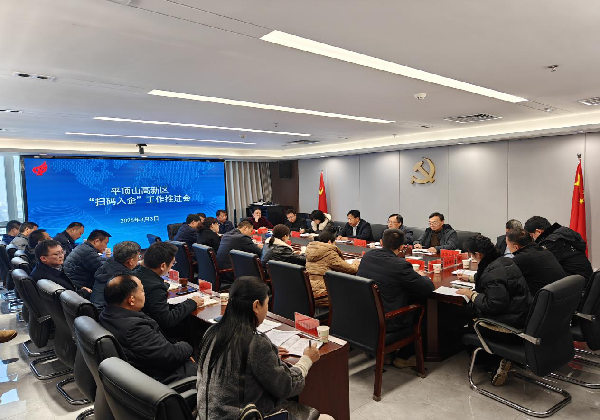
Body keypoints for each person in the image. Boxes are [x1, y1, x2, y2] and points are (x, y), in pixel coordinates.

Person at [197, 276, 328, 420]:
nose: (267, 309)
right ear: (255, 306)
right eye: (266, 304)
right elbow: (287, 386)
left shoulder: (211, 332)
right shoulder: (255, 344)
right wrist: (306, 360)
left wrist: (268, 355)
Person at [455, 235, 531, 387]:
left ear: (477, 254)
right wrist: (471, 279)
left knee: (461, 320)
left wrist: (471, 294)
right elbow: (495, 279)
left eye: (471, 254)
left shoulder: (491, 272)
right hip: (520, 315)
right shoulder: (503, 261)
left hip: (506, 325)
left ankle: (494, 363)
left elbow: (494, 305)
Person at [357, 228, 434, 367]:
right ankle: (404, 357)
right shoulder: (400, 265)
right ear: (401, 247)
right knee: (424, 309)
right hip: (388, 320)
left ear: (381, 242)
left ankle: (387, 353)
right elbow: (427, 288)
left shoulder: (368, 256)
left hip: (365, 315)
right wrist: (423, 277)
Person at [99, 274, 197, 384]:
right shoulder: (134, 329)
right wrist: (187, 346)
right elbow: (169, 356)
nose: (144, 294)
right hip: (163, 379)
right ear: (131, 300)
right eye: (142, 291)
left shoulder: (106, 314)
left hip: (145, 368)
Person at [134, 242, 203, 332]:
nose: (171, 267)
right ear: (163, 266)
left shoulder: (135, 274)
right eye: (172, 263)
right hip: (155, 332)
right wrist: (192, 302)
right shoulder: (156, 287)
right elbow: (167, 320)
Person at [524, 216, 593, 282]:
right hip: (586, 279)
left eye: (531, 236)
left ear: (538, 231)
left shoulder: (551, 242)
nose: (531, 240)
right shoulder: (564, 232)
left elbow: (539, 265)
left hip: (577, 284)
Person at [305, 229, 360, 306]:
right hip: (323, 295)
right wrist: (356, 262)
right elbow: (351, 269)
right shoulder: (329, 252)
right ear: (329, 242)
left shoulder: (310, 250)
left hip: (309, 292)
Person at [506, 229, 566, 294]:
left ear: (516, 247)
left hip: (546, 297)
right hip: (562, 294)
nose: (507, 246)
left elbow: (504, 276)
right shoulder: (543, 250)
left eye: (507, 244)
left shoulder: (523, 258)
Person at [90, 241, 141, 311]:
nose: (138, 260)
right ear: (130, 261)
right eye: (138, 257)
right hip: (106, 313)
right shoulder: (124, 278)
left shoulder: (108, 264)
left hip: (96, 309)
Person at [216, 221, 263, 287]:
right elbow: (260, 253)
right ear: (245, 228)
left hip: (220, 271)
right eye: (251, 231)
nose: (251, 234)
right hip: (231, 272)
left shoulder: (227, 234)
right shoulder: (243, 238)